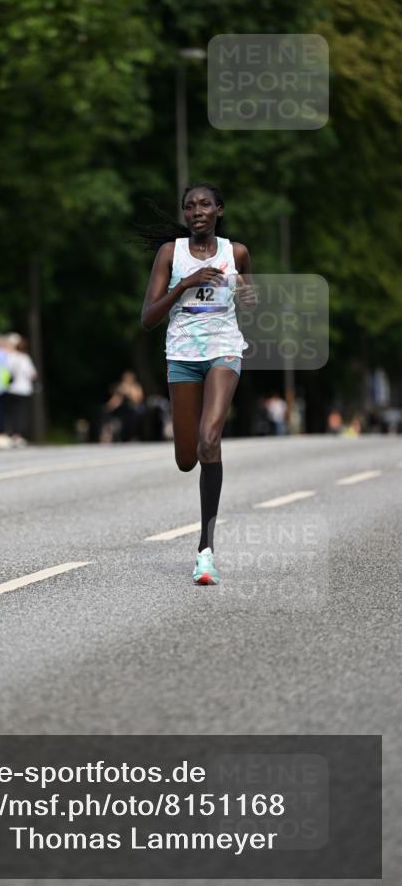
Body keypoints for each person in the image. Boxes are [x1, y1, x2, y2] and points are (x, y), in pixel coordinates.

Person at [139, 184, 256, 585]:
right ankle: (205, 543)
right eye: (189, 206)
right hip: (182, 355)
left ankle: (205, 551)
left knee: (210, 438)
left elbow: (249, 296)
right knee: (187, 458)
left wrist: (249, 294)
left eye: (205, 204)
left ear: (219, 210)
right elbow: (148, 317)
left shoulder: (235, 252)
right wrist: (185, 284)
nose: (196, 211)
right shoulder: (170, 253)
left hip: (224, 349)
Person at [5, 333, 38, 446]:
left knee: (11, 413)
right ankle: (18, 435)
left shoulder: (8, 357)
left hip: (10, 389)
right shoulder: (24, 358)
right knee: (21, 413)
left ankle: (10, 434)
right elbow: (31, 374)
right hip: (23, 389)